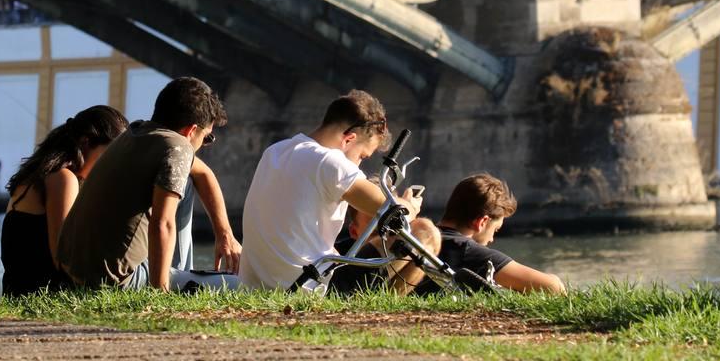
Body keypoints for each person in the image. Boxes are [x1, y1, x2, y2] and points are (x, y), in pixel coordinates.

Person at [59, 77, 236, 290]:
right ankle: (178, 278)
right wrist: (160, 293)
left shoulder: (137, 132)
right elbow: (163, 224)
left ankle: (179, 275)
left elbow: (204, 174)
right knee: (244, 285)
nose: (204, 144)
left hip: (74, 272)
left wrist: (225, 235)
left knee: (187, 182)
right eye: (207, 137)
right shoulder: (177, 147)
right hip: (113, 281)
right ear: (190, 131)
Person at [239, 90, 423, 291]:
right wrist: (411, 204)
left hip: (255, 285)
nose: (359, 165)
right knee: (424, 231)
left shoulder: (275, 150)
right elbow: (395, 211)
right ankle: (384, 307)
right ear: (348, 139)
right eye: (362, 156)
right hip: (307, 287)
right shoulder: (330, 162)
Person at [2, 105, 127, 297]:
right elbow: (65, 260)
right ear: (85, 143)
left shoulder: (43, 175)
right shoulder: (62, 179)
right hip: (42, 295)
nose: (112, 166)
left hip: (20, 292)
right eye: (108, 156)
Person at [415, 174, 565, 295]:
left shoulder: (419, 238)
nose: (492, 239)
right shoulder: (468, 251)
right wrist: (554, 278)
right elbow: (553, 288)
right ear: (482, 222)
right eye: (495, 230)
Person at [327, 203, 442, 296]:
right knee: (423, 230)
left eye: (392, 234)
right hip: (337, 288)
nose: (384, 239)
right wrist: (409, 206)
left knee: (429, 236)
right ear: (354, 232)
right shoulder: (335, 255)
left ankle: (386, 301)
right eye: (376, 234)